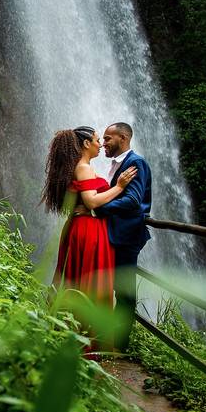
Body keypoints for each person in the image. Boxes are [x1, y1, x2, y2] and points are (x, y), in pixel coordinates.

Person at [41, 126, 137, 355]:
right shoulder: (83, 168)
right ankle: (88, 342)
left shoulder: (84, 167)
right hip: (89, 231)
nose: (100, 143)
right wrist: (120, 187)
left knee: (80, 279)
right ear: (86, 144)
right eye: (96, 139)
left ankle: (78, 335)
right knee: (91, 284)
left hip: (86, 229)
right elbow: (92, 202)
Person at [82, 122, 152, 352]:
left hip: (126, 236)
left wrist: (101, 207)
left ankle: (121, 347)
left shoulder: (135, 163)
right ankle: (108, 339)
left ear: (123, 138)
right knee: (111, 288)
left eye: (108, 138)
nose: (103, 143)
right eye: (101, 138)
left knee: (124, 293)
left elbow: (133, 200)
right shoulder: (121, 164)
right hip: (116, 235)